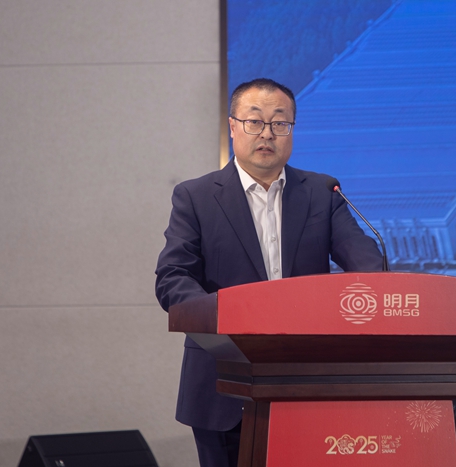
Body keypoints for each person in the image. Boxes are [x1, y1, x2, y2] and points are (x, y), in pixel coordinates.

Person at [155, 78, 383, 467]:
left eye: (280, 123)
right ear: (233, 126)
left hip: (308, 379)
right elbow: (173, 276)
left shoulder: (322, 193)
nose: (267, 133)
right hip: (221, 375)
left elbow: (368, 267)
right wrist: (223, 320)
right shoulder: (196, 196)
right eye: (254, 121)